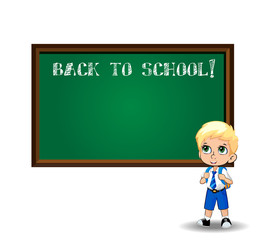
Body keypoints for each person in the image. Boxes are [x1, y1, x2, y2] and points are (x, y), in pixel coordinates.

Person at [195, 121, 238, 228]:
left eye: (221, 150)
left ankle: (225, 219)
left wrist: (224, 178)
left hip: (220, 191)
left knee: (223, 206)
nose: (213, 156)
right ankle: (207, 219)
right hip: (210, 191)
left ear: (231, 157)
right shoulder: (208, 170)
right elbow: (201, 182)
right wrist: (203, 178)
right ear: (200, 154)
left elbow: (230, 181)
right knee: (208, 206)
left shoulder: (222, 171)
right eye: (206, 149)